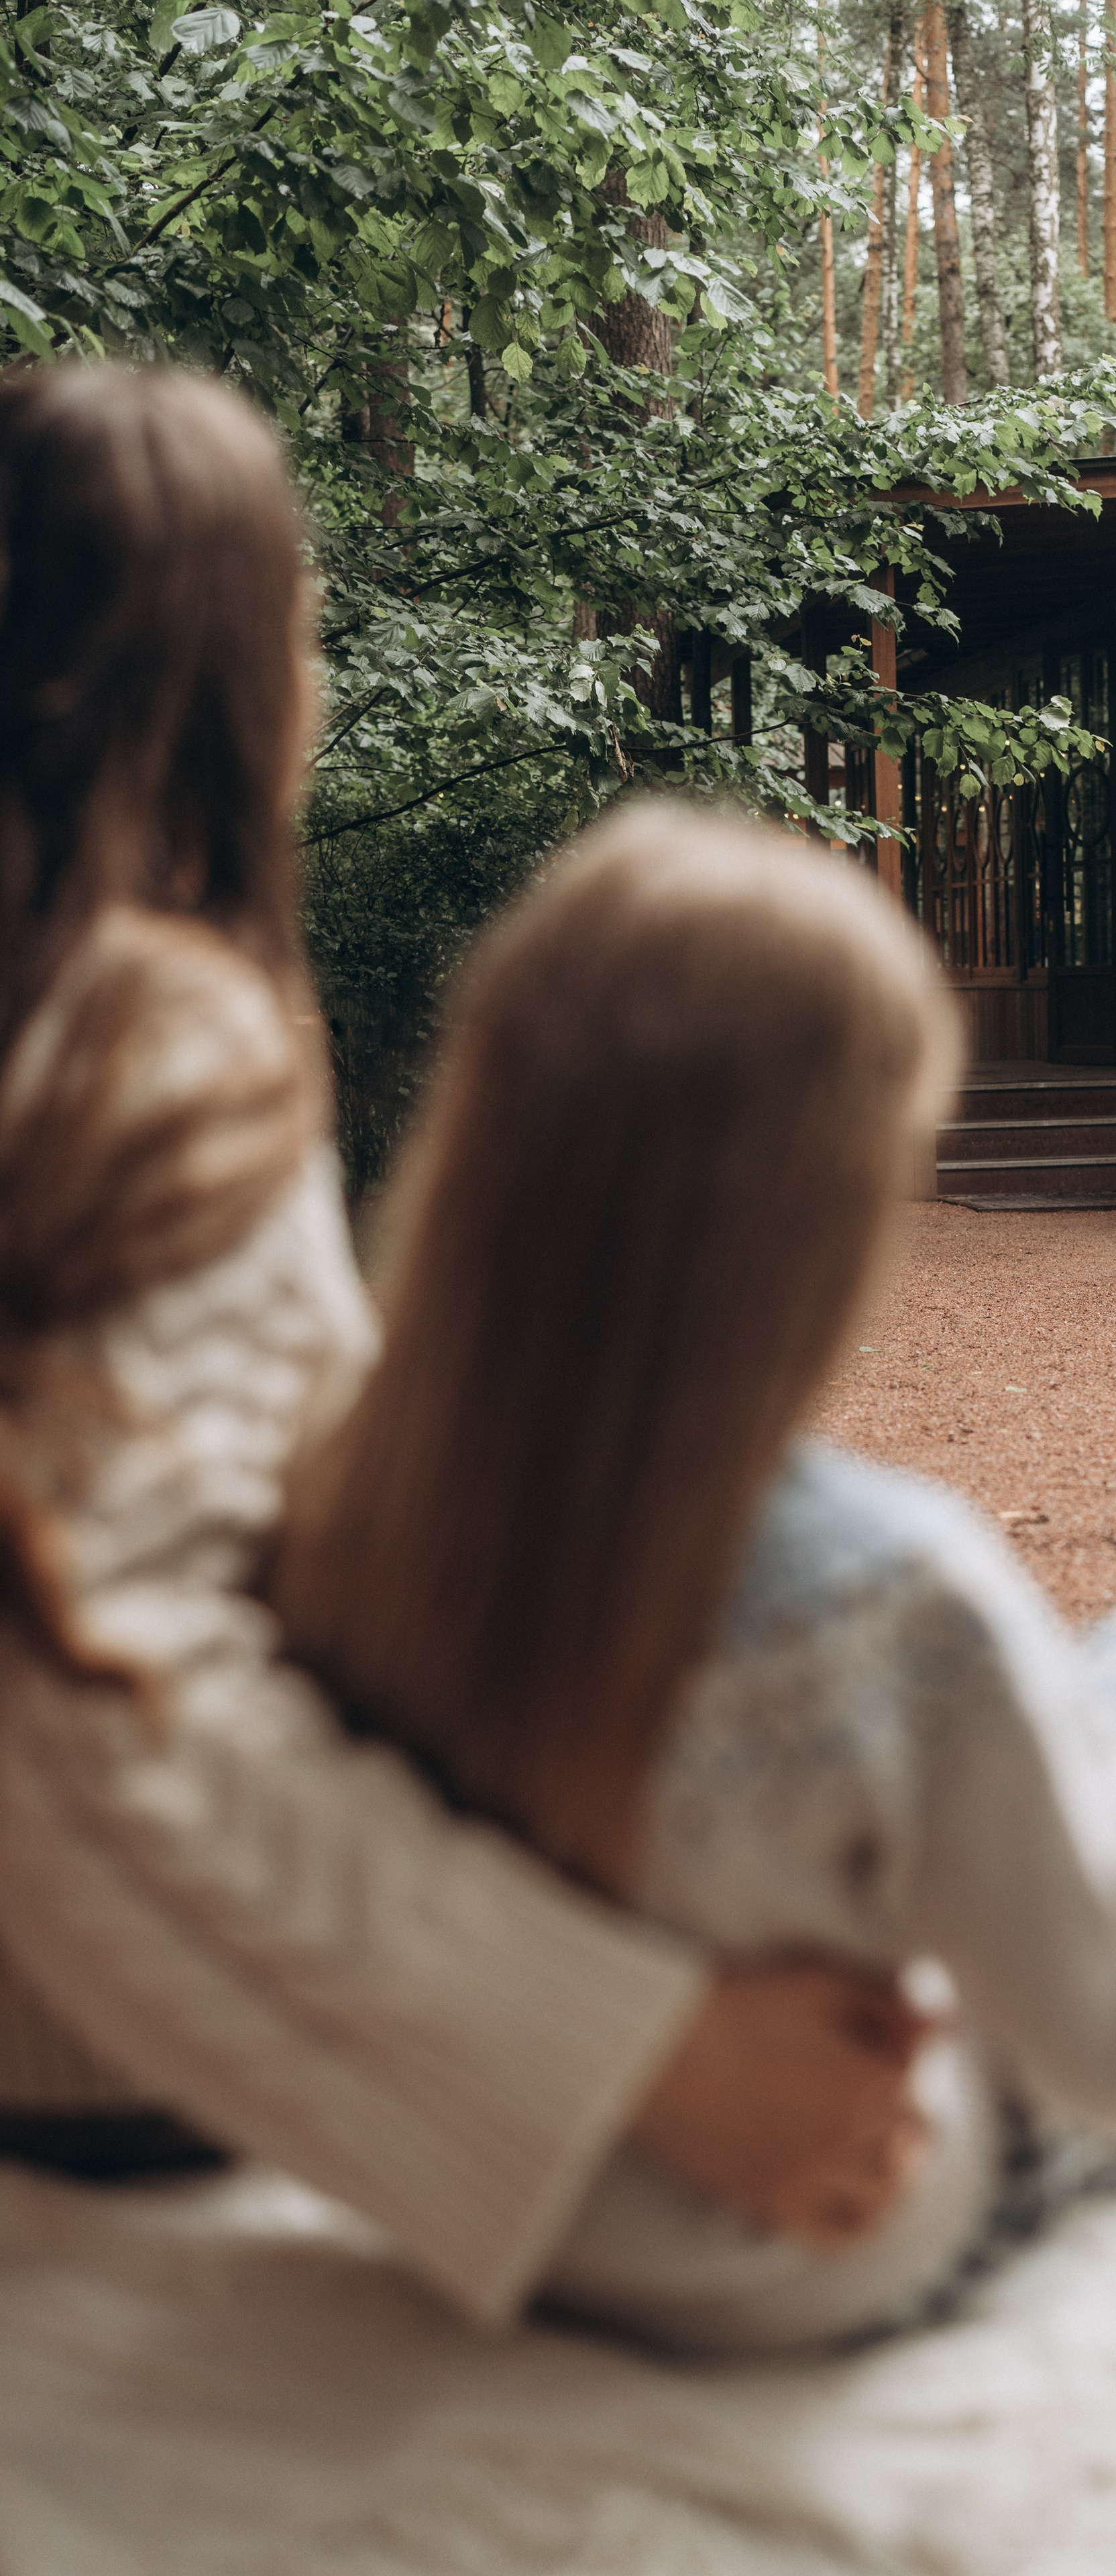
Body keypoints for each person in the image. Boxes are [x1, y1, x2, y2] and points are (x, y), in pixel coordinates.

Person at [274, 803, 1116, 2357]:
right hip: (796, 2234)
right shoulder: (883, 1590)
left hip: (487, 2187)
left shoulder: (330, 1500)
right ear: (819, 1214)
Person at [0, 362, 926, 2325]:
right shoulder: (140, 1041)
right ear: (233, 676)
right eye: (307, 617)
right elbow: (99, 1681)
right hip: (105, 2068)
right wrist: (652, 2047)